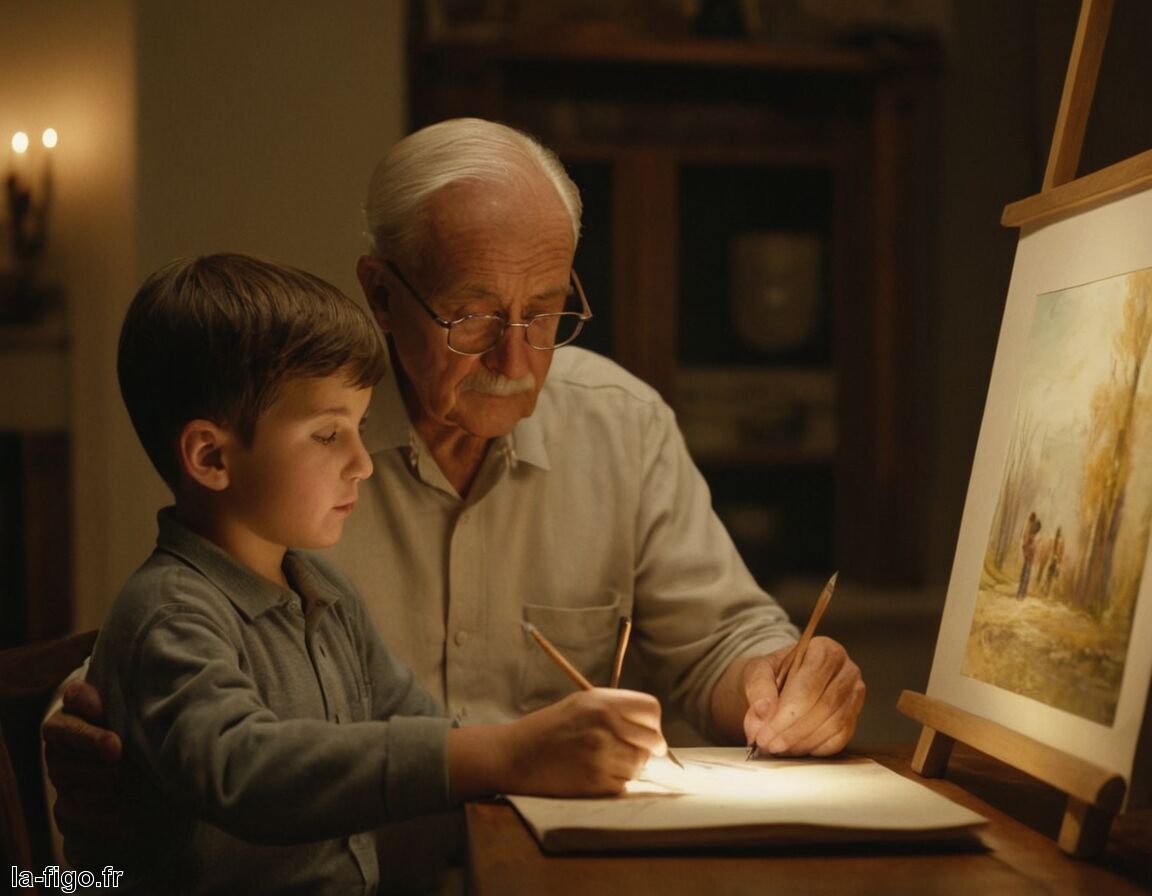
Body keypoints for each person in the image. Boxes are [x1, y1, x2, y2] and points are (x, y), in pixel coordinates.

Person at [45, 117, 864, 852]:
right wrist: (89, 722)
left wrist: (782, 680)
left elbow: (718, 640)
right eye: (470, 316)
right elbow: (164, 652)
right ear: (380, 293)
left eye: (544, 314)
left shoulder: (622, 425)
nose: (515, 360)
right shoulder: (283, 459)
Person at [74, 253, 665, 894]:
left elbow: (417, 723)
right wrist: (509, 753)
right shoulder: (170, 613)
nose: (364, 462)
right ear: (212, 456)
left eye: (358, 427)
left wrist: (547, 753)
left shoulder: (326, 595)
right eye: (329, 435)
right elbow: (246, 769)